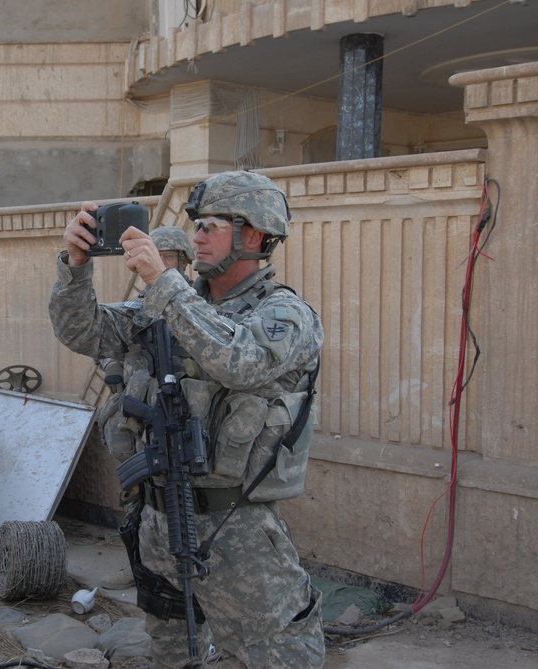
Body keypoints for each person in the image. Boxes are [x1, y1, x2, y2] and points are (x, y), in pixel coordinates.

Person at [49, 171, 325, 669]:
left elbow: (238, 359)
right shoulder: (167, 305)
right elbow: (84, 331)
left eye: (212, 225)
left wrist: (165, 285)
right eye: (196, 223)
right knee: (172, 653)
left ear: (255, 236)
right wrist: (75, 265)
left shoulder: (284, 314)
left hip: (234, 530)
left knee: (281, 655)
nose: (196, 235)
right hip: (158, 518)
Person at [99, 224, 196, 591]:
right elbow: (104, 343)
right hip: (136, 418)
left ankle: (181, 572)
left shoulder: (194, 307)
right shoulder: (135, 308)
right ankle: (138, 566)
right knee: (137, 495)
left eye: (168, 256)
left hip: (178, 419)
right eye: (157, 254)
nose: (159, 262)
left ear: (184, 262)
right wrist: (112, 370)